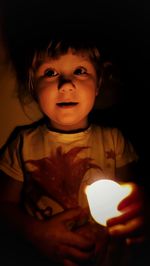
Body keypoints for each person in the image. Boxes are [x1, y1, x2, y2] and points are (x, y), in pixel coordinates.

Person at [0, 33, 147, 266]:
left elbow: (128, 205)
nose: (66, 84)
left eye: (80, 71)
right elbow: (3, 206)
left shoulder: (115, 141)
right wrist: (36, 233)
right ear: (33, 86)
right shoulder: (22, 143)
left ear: (98, 83)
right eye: (50, 73)